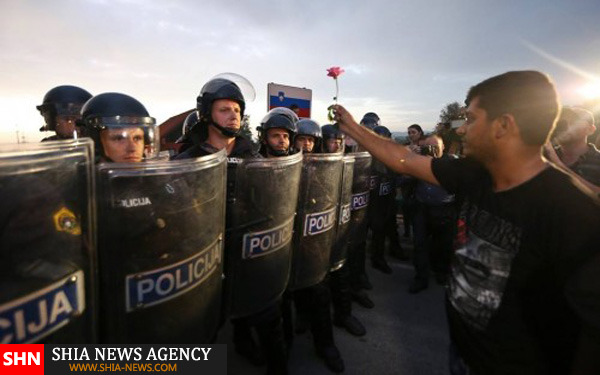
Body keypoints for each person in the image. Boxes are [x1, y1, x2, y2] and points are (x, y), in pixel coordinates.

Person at [333, 70, 600, 375]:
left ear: (503, 126)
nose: (462, 131)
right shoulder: (474, 174)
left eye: (472, 119)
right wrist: (353, 128)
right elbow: (402, 160)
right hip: (462, 357)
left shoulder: (573, 212)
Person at [321, 123, 368, 338]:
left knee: (341, 273)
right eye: (333, 140)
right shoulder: (311, 163)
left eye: (340, 141)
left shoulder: (348, 163)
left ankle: (343, 314)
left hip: (340, 229)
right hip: (317, 232)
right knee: (315, 281)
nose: (338, 144)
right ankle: (307, 318)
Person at [408, 135, 456, 293]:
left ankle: (441, 272)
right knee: (420, 244)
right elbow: (402, 175)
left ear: (443, 147)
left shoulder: (453, 163)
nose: (433, 150)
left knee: (443, 244)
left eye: (436, 146)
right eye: (429, 146)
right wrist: (411, 157)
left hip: (445, 210)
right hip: (422, 208)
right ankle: (421, 278)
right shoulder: (418, 162)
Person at [78, 92, 157, 163]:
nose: (132, 148)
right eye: (118, 138)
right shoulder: (77, 178)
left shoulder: (158, 178)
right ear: (96, 144)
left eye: (137, 138)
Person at [545, 106, 600, 194]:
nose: (563, 126)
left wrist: (559, 166)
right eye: (560, 121)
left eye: (573, 122)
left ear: (590, 130)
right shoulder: (543, 157)